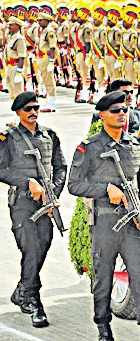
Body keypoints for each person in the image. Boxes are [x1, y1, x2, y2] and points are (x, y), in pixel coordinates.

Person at [67, 91, 140, 341]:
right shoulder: (90, 147)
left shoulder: (136, 146)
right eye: (116, 110)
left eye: (125, 109)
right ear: (103, 115)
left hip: (131, 223)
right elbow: (74, 185)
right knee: (103, 280)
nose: (122, 113)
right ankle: (104, 335)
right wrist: (105, 188)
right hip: (105, 222)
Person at [0, 92, 66, 328]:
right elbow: (1, 169)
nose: (33, 112)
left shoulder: (50, 136)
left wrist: (53, 193)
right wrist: (26, 181)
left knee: (43, 245)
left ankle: (22, 290)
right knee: (32, 248)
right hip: (22, 203)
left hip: (45, 204)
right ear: (18, 112)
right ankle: (33, 299)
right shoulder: (8, 138)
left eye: (36, 107)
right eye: (28, 108)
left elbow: (60, 167)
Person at [36, 12, 58, 112]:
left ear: (46, 20)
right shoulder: (43, 31)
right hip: (41, 57)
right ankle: (48, 102)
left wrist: (51, 62)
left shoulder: (50, 31)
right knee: (44, 80)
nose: (39, 22)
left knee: (49, 80)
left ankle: (51, 104)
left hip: (47, 57)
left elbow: (53, 47)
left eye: (41, 20)